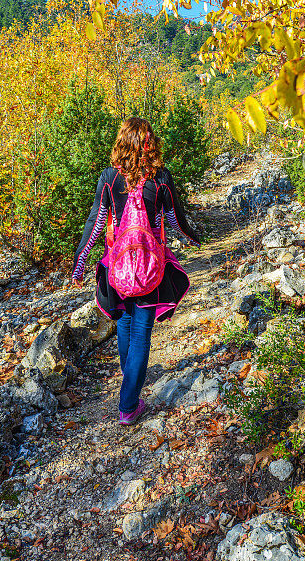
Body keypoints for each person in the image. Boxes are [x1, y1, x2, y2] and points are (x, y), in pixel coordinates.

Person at [71, 116, 200, 425]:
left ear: (122, 142)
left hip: (117, 265)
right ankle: (128, 404)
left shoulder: (109, 178)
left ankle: (130, 390)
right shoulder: (161, 179)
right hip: (149, 267)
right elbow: (174, 219)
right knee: (141, 330)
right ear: (148, 143)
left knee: (125, 324)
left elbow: (96, 223)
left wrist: (80, 262)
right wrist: (192, 238)